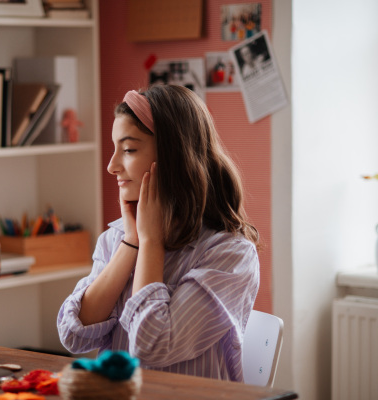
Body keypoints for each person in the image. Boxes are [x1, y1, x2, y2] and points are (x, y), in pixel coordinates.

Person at [57, 84, 260, 381]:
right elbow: (73, 335)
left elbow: (152, 345)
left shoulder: (230, 255)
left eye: (128, 149)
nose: (112, 166)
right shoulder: (117, 239)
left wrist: (151, 242)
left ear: (173, 158)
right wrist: (132, 243)